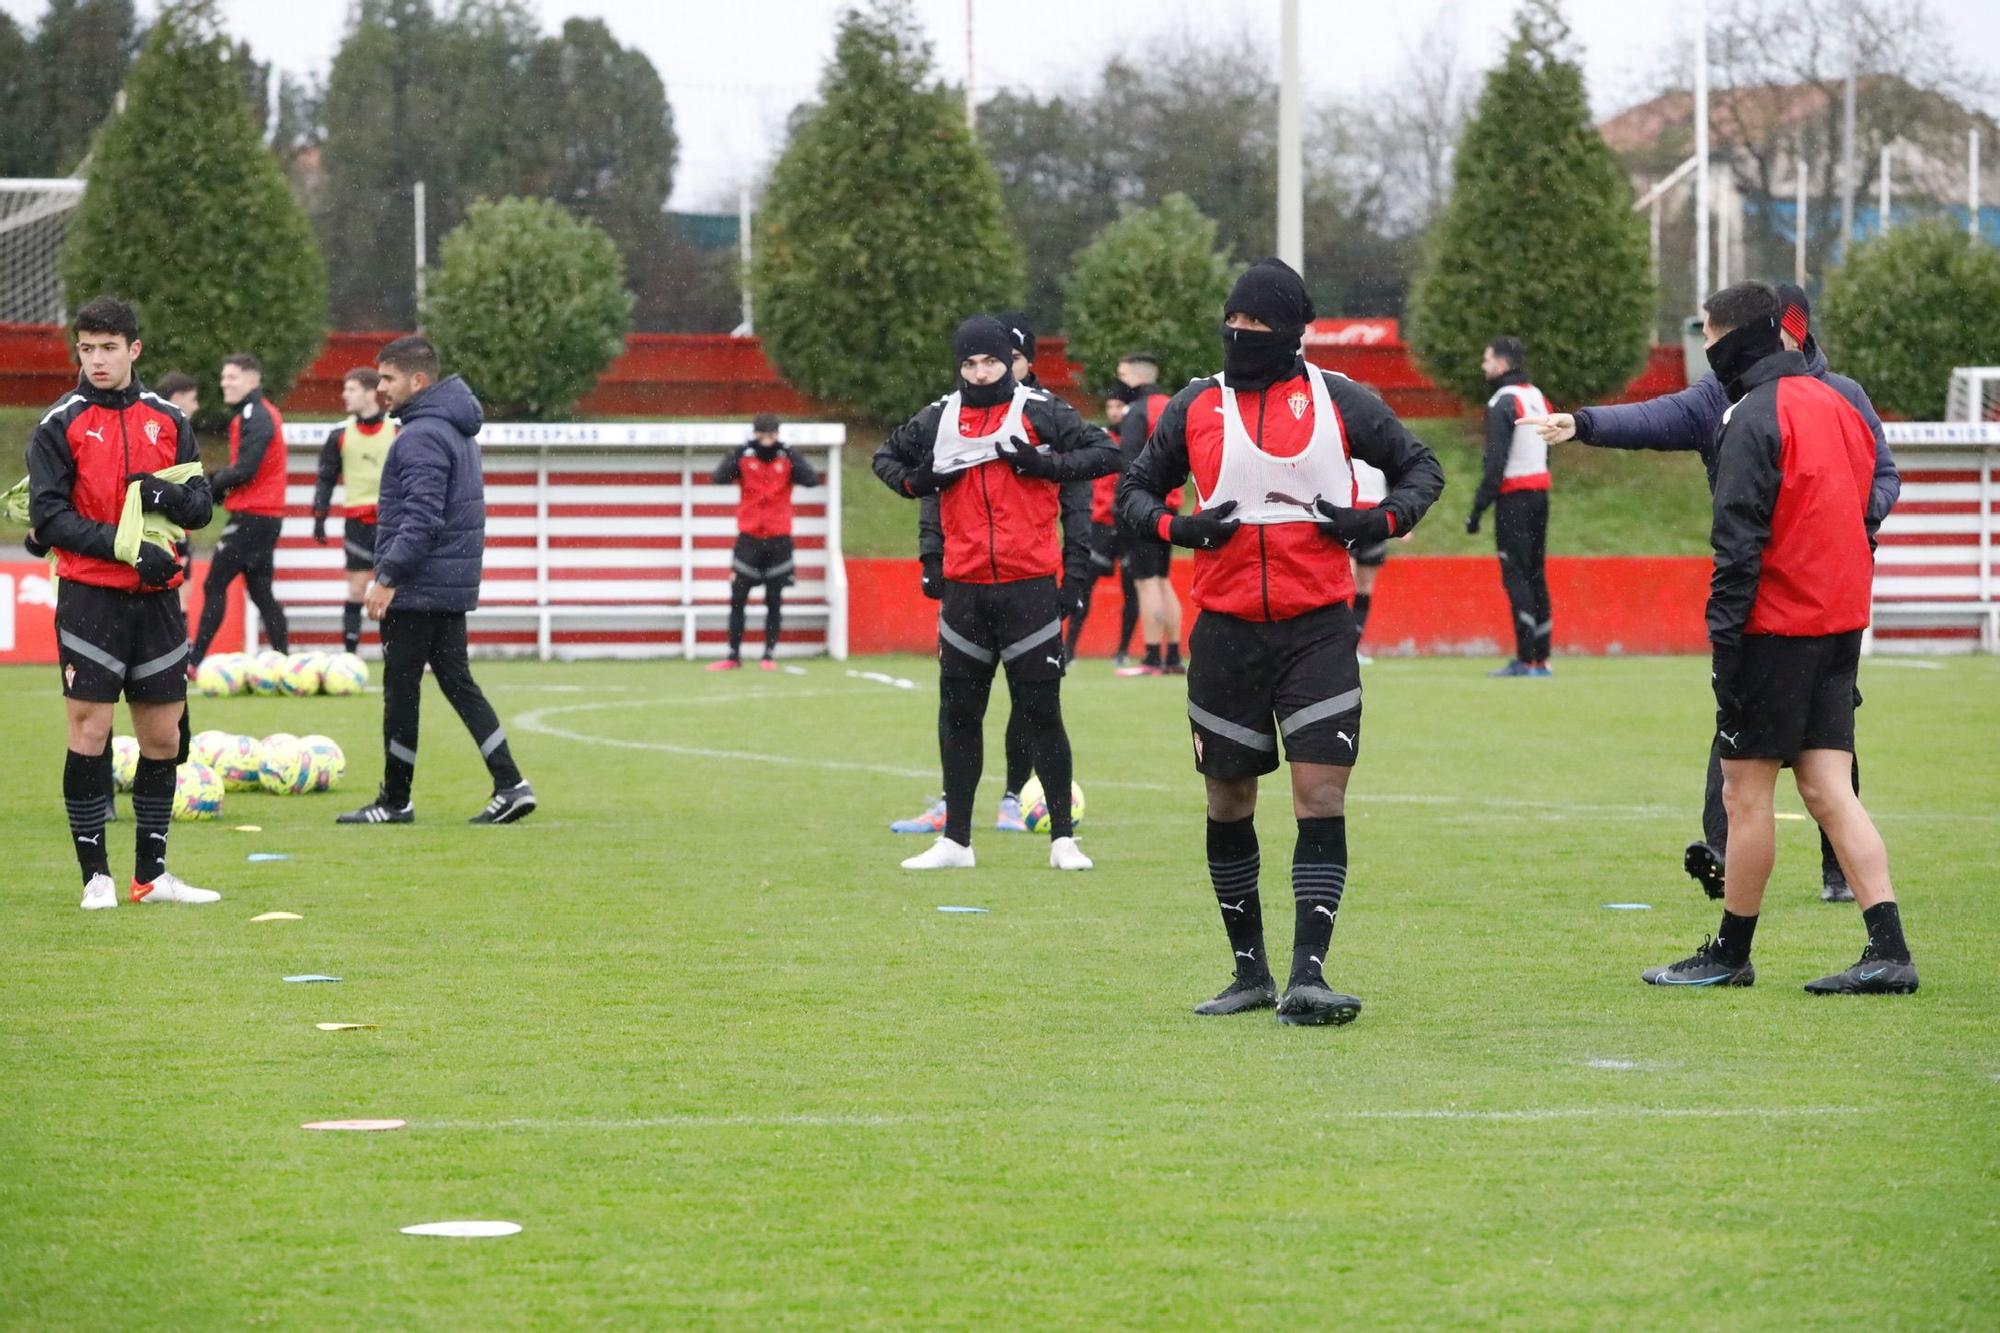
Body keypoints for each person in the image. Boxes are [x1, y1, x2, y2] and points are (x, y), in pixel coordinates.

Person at [1118, 258, 1444, 1024]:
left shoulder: (1339, 399)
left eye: (1260, 325)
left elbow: (1419, 469)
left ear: (1295, 332)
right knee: (1229, 798)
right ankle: (1249, 972)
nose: (1243, 334)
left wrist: (1377, 522)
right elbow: (1135, 491)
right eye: (1235, 321)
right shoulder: (1196, 404)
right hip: (1225, 634)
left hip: (1318, 631)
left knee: (1319, 793)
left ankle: (1309, 973)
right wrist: (1181, 527)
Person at [1531, 282, 1895, 904]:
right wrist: (1585, 424)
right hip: (1832, 604)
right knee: (1822, 761)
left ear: (1782, 331)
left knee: (1752, 756)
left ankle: (1746, 917)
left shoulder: (1795, 404)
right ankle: (1874, 931)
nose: (1706, 347)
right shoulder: (1742, 396)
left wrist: (1847, 524)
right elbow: (1661, 416)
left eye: (1711, 334)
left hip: (1784, 604)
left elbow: (1867, 482)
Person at [1642, 281, 1915, 995]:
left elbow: (1738, 547)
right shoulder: (1842, 405)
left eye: (1707, 339)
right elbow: (1863, 508)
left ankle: (1731, 953)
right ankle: (1889, 948)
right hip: (1839, 626)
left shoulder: (1750, 417)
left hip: (1774, 629)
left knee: (1745, 793)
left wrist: (1724, 651)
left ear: (1730, 340)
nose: (1705, 353)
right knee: (1829, 788)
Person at [873, 314, 1119, 871]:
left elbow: (1106, 454)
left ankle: (1063, 840)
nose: (981, 373)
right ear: (959, 366)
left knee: (1041, 713)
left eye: (990, 361)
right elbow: (884, 460)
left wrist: (1044, 464)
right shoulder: (940, 416)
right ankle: (955, 842)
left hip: (1029, 588)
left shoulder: (1037, 411)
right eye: (969, 363)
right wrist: (921, 483)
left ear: (1009, 362)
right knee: (958, 712)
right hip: (964, 591)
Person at [28, 296, 219, 908]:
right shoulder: (61, 422)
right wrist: (125, 548)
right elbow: (49, 519)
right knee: (91, 730)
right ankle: (96, 878)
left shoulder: (168, 419)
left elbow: (200, 506)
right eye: (86, 349)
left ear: (134, 350)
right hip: (91, 598)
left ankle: (150, 877)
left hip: (159, 600)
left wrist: (165, 491)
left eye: (109, 348)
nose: (97, 360)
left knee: (164, 739)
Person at [337, 336, 536, 826]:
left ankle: (394, 800)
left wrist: (387, 577)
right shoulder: (453, 428)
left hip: (419, 587)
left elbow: (422, 519)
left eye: (387, 378)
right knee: (457, 682)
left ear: (417, 380)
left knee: (402, 690)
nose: (380, 388)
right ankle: (511, 783)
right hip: (447, 583)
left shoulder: (423, 434)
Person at [189, 352, 290, 664]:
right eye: (223, 377)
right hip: (263, 516)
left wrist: (210, 485)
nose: (224, 383)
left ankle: (194, 662)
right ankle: (284, 660)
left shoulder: (255, 414)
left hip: (254, 516)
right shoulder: (254, 412)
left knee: (214, 583)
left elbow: (246, 468)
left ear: (252, 379)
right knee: (261, 592)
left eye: (231, 377)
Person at [1465, 336, 1553, 677]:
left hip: (1513, 499)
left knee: (1515, 576)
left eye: (1486, 359)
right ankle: (1541, 659)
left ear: (1501, 364)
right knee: (1536, 574)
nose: (1483, 366)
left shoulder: (1502, 401)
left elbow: (1495, 463)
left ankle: (1524, 658)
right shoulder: (1538, 397)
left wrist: (1476, 510)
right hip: (1540, 495)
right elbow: (1548, 447)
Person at [709, 411, 821, 671]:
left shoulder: (787, 461)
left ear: (778, 435)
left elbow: (812, 480)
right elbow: (718, 477)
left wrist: (789, 452)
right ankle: (733, 655)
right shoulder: (745, 461)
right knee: (738, 597)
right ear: (755, 434)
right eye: (762, 435)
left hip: (779, 539)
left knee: (774, 599)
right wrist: (740, 451)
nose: (767, 441)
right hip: (748, 539)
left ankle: (768, 655)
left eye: (772, 435)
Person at [312, 367, 398, 655]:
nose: (343, 394)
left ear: (370, 392)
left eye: (350, 389)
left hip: (393, 522)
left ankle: (397, 651)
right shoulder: (339, 434)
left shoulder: (397, 430)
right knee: (357, 590)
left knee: (395, 589)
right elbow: (326, 477)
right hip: (357, 522)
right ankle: (350, 655)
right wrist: (319, 516)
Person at [1114, 352, 1184, 676]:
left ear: (1135, 377)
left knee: (1146, 582)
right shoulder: (1174, 405)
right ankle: (1172, 657)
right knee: (1163, 579)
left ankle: (1152, 657)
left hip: (1143, 507)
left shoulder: (1136, 411)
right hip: (1170, 504)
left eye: (1123, 375)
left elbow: (1127, 463)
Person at [1062, 383, 1137, 664]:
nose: (1115, 412)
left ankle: (1123, 651)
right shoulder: (1102, 439)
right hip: (1102, 525)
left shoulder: (1138, 442)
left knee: (1132, 590)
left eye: (1120, 406)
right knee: (1083, 586)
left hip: (1130, 526)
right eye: (1111, 407)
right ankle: (1069, 649)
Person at [151, 372, 201, 618]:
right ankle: (182, 650)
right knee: (179, 591)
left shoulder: (164, 428)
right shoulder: (169, 432)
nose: (197, 406)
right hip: (170, 526)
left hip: (170, 524)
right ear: (178, 398)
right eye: (193, 399)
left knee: (180, 590)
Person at [1347, 458, 1391, 665]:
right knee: (1347, 580)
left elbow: (1399, 475)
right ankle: (1336, 644)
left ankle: (1354, 645)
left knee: (1365, 586)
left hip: (1377, 514)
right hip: (1348, 512)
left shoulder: (1383, 440)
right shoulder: (1341, 431)